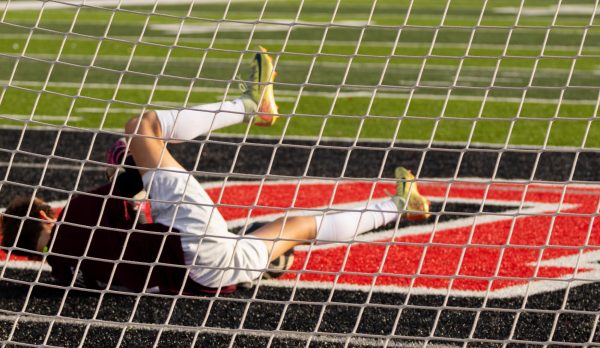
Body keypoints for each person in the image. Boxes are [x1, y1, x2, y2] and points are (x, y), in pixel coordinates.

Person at [0, 47, 430, 295]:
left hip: (203, 278)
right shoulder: (73, 213)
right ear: (43, 214)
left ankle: (398, 204)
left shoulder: (64, 274)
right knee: (141, 129)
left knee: (294, 228)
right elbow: (129, 187)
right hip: (186, 242)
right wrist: (126, 159)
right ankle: (251, 105)